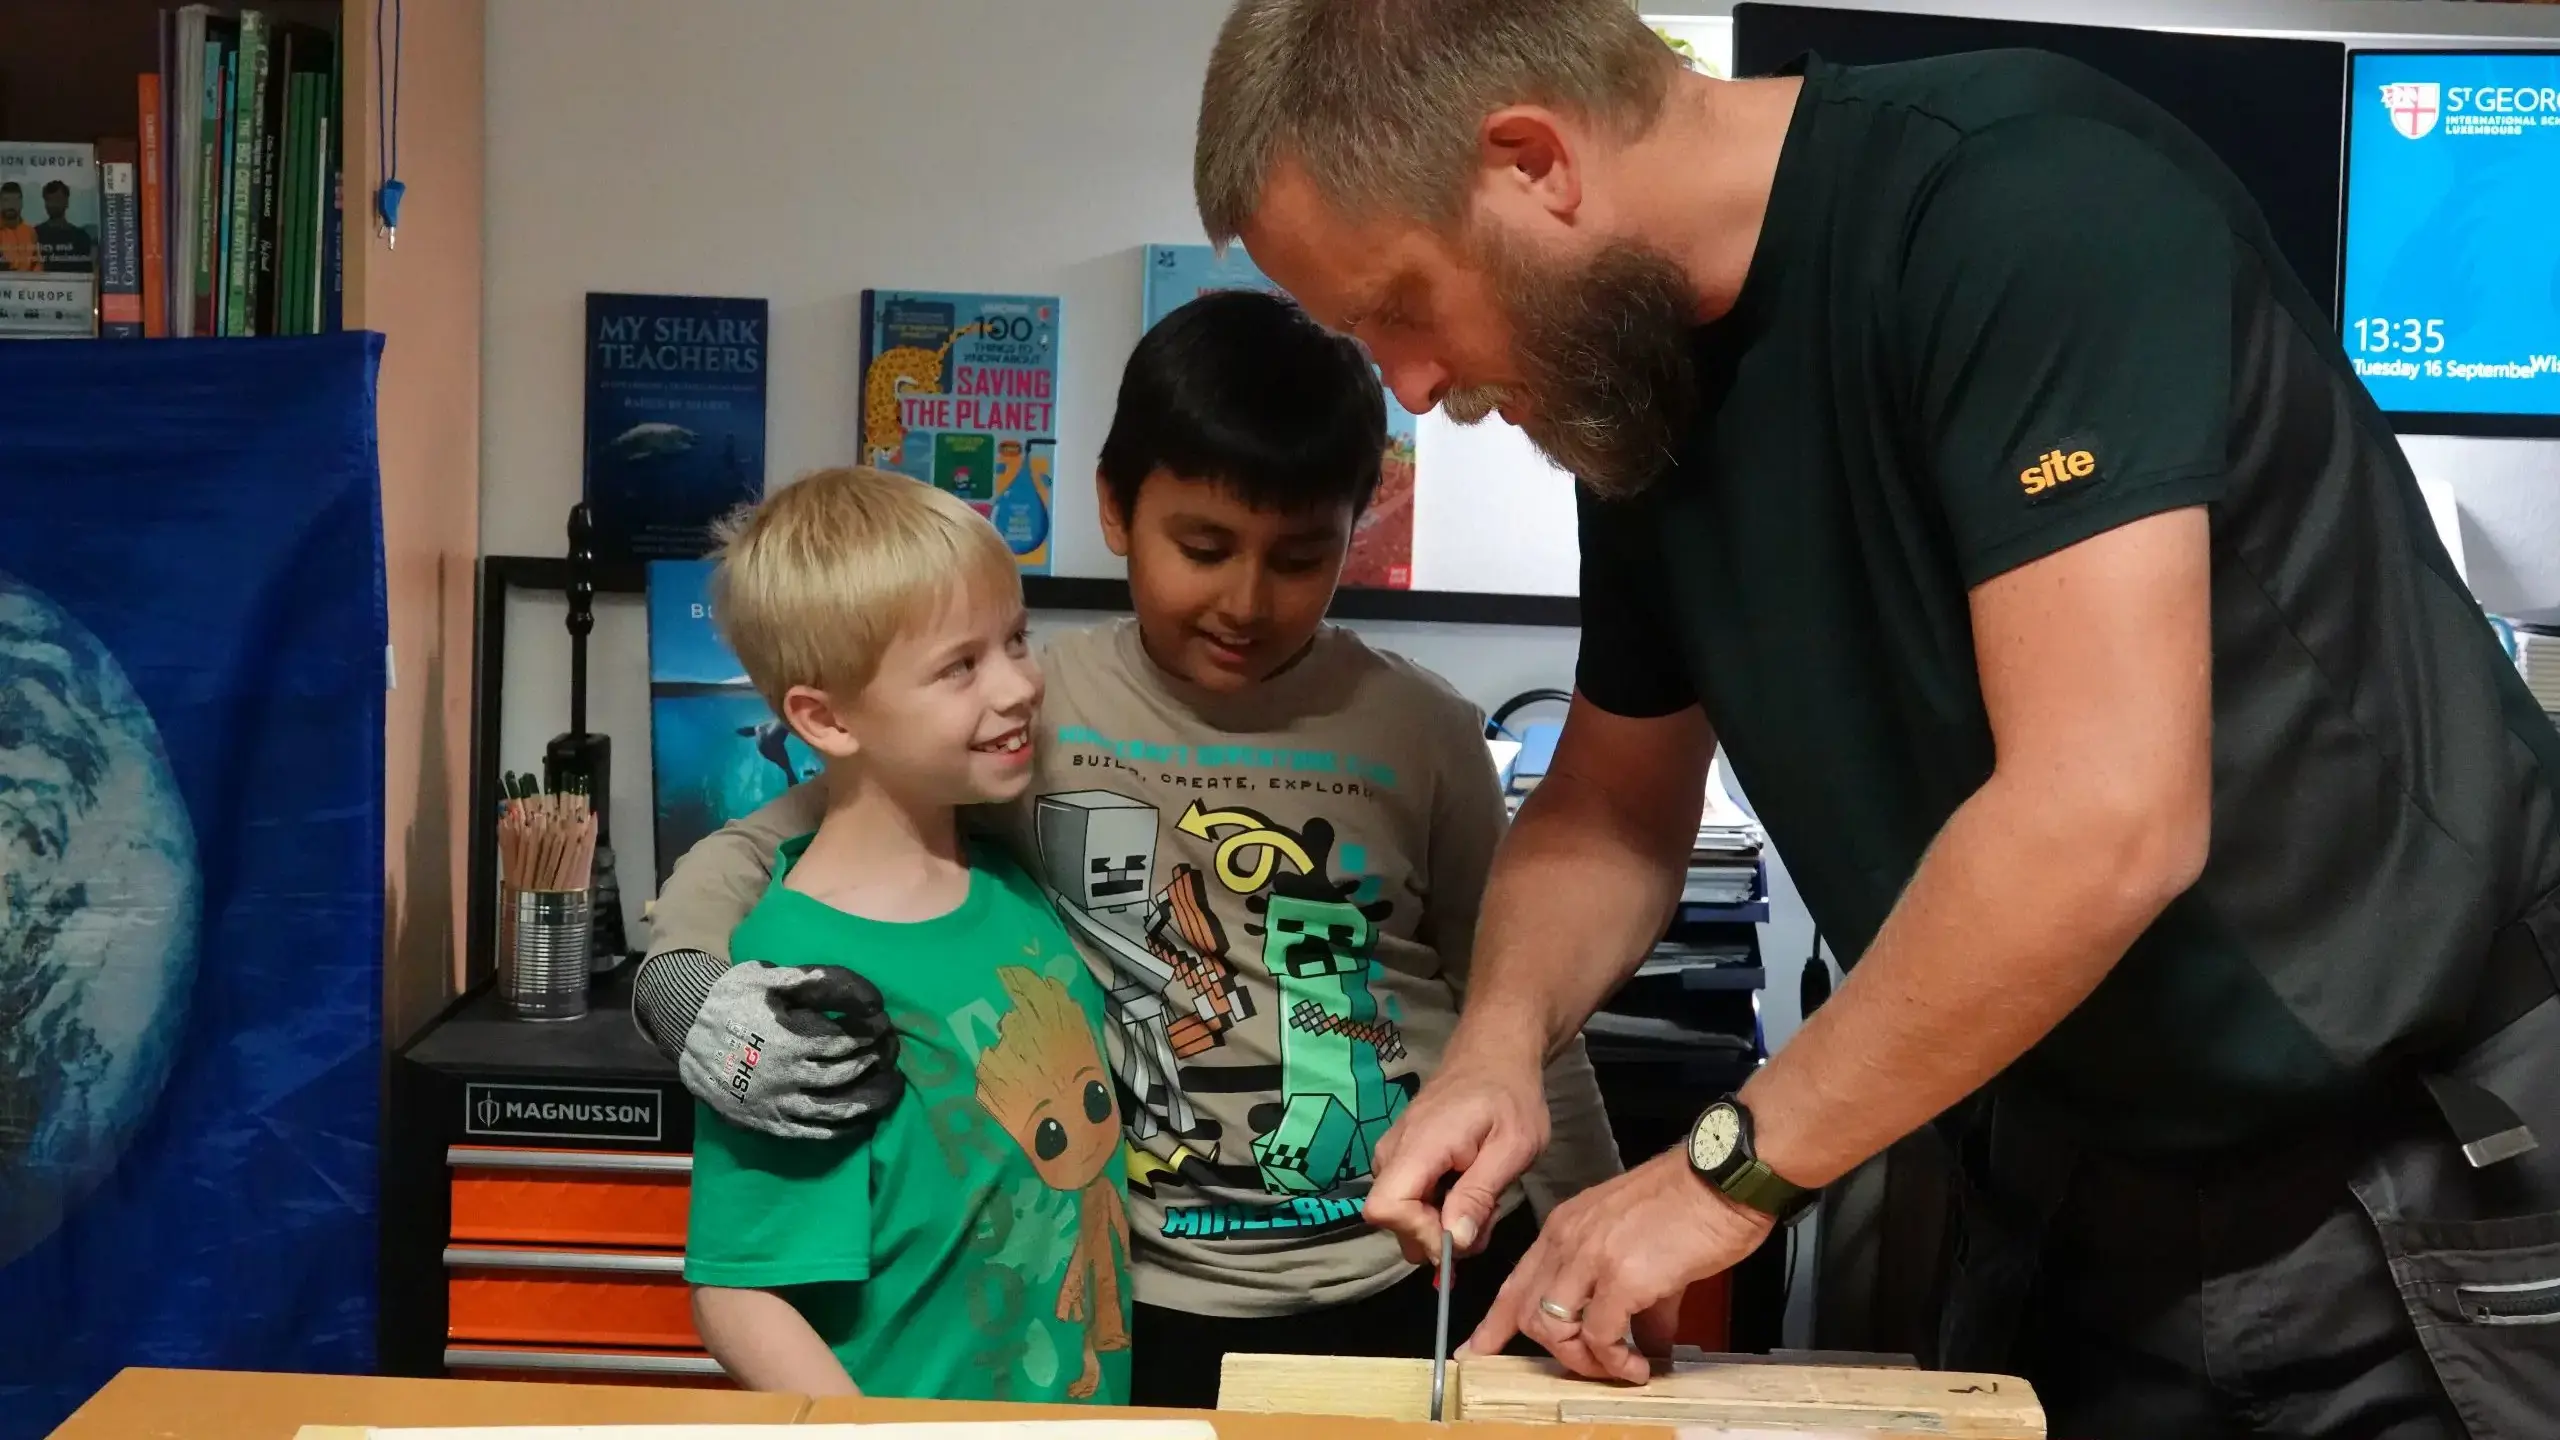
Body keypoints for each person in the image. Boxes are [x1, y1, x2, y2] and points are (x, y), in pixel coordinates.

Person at [1188, 4, 2560, 1438]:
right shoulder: (1639, 372)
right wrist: (1496, 1045)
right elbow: (1610, 800)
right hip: (2083, 1184)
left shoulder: (2022, 203)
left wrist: (1721, 1173)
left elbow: (2102, 817)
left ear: (1532, 159)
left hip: (2419, 1173)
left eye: (1399, 308)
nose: (1409, 389)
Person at [637, 289, 1626, 1409]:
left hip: (1398, 1283)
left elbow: (1524, 1011)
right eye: (1202, 547)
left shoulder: (1427, 731)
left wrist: (1590, 1228)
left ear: (1360, 525)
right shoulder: (1026, 716)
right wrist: (682, 987)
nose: (1244, 601)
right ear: (1115, 506)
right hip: (1139, 1305)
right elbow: (765, 843)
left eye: (1300, 557)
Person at [677, 465, 1132, 1403]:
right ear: (826, 718)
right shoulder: (801, 984)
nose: (1017, 688)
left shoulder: (1008, 885)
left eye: (1016, 640)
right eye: (960, 666)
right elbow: (739, 1292)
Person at [33, 180, 92, 274]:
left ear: (67, 202)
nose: (53, 204)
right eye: (49, 200)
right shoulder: (34, 235)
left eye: (57, 199)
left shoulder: (81, 237)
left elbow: (86, 274)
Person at [0, 183, 38, 273]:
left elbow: (37, 266)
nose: (10, 205)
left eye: (15, 201)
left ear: (21, 203)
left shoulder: (30, 232)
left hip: (28, 285)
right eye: (6, 200)